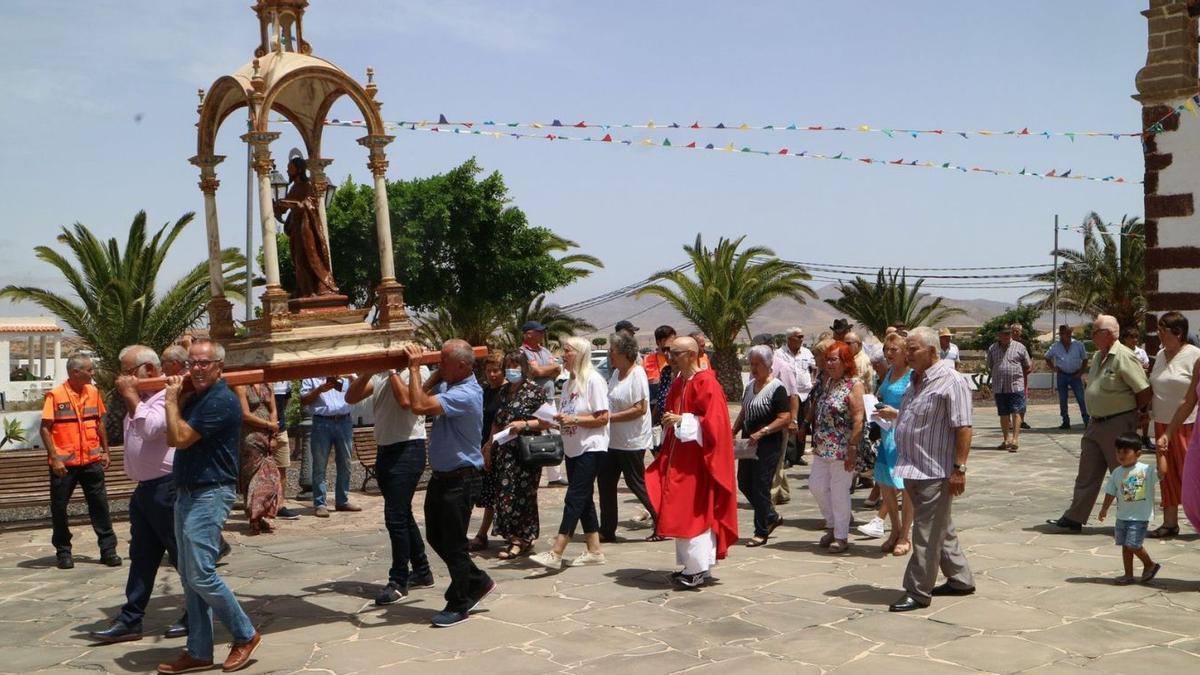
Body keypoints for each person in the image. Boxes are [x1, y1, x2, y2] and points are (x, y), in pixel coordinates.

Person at [158, 339, 260, 673]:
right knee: (189, 577)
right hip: (187, 491)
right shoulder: (198, 397)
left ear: (219, 366)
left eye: (204, 363)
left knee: (201, 573)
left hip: (210, 492)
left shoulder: (221, 401)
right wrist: (178, 395)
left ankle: (244, 634)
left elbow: (179, 438)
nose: (197, 369)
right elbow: (172, 432)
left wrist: (171, 398)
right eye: (192, 363)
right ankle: (200, 651)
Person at [89, 346, 186, 644]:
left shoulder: (165, 396)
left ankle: (197, 612)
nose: (123, 379)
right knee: (142, 556)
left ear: (150, 371)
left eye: (129, 372)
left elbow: (151, 429)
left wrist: (132, 396)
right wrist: (132, 396)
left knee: (183, 556)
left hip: (166, 487)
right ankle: (131, 619)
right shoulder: (141, 399)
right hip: (145, 490)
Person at [401, 341, 495, 627]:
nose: (439, 366)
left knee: (453, 544)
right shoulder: (450, 386)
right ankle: (477, 580)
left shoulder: (466, 393)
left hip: (462, 478)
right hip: (443, 477)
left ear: (463, 366)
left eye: (444, 362)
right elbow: (411, 400)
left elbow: (417, 405)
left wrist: (415, 368)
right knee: (435, 537)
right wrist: (435, 375)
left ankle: (461, 601)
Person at [888, 327, 975, 612]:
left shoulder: (951, 381)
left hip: (935, 471)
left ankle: (917, 590)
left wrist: (959, 468)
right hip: (913, 468)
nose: (907, 354)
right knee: (941, 527)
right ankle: (961, 579)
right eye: (907, 349)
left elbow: (963, 427)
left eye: (913, 349)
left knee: (925, 533)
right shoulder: (916, 380)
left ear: (932, 351)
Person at [645, 336, 738, 588]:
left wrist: (682, 420)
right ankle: (695, 566)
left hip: (699, 462)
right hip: (679, 459)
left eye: (674, 353)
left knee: (694, 513)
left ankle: (696, 569)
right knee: (681, 510)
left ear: (689, 354)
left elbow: (716, 424)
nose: (669, 357)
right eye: (668, 352)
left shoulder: (706, 382)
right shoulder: (680, 382)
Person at [1047, 315, 1152, 533]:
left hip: (1118, 422)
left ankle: (1136, 517)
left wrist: (1140, 414)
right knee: (1087, 471)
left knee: (1127, 472)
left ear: (1109, 333)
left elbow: (1143, 390)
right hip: (1096, 423)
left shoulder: (1123, 356)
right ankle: (1075, 516)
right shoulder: (1097, 357)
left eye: (1095, 331)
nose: (1091, 336)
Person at [345, 357, 436, 605]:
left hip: (409, 449)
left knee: (395, 517)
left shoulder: (418, 370)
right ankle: (422, 570)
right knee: (402, 514)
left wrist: (394, 370)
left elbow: (407, 401)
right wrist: (366, 372)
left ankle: (398, 581)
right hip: (385, 449)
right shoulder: (380, 375)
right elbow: (351, 398)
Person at [530, 337, 610, 570]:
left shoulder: (594, 381)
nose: (562, 355)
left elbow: (603, 417)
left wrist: (574, 419)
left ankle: (557, 550)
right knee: (583, 499)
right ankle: (594, 549)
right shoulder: (567, 384)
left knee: (574, 497)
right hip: (573, 447)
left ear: (580, 354)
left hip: (591, 447)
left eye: (567, 351)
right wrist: (558, 420)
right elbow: (569, 414)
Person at [41, 353, 119, 570]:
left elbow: (100, 423)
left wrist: (106, 451)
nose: (93, 373)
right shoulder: (55, 395)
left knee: (100, 506)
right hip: (64, 466)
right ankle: (63, 552)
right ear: (76, 372)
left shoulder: (93, 392)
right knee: (59, 508)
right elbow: (45, 429)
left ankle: (108, 550)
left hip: (92, 462)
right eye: (90, 370)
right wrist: (55, 459)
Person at [482, 351, 548, 560]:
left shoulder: (534, 392)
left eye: (515, 366)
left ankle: (521, 539)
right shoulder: (504, 392)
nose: (511, 371)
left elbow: (548, 421)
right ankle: (512, 536)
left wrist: (524, 424)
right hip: (504, 452)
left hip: (525, 453)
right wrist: (489, 445)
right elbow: (496, 420)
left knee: (524, 495)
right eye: (508, 366)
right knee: (505, 495)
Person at [598, 333, 659, 543]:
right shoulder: (616, 374)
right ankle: (606, 529)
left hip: (631, 440)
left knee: (636, 482)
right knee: (605, 482)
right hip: (612, 440)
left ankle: (661, 521)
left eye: (612, 351)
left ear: (624, 353)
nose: (609, 355)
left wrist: (610, 418)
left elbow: (640, 409)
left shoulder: (637, 374)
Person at [859, 333, 915, 557]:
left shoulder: (912, 376)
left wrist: (896, 413)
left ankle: (905, 535)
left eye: (894, 350)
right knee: (885, 483)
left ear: (905, 352)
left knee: (905, 486)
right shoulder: (890, 372)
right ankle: (894, 529)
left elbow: (918, 409)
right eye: (886, 350)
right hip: (886, 433)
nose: (888, 354)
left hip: (903, 435)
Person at [806, 341, 865, 553]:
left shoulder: (854, 385)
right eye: (827, 359)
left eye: (834, 359)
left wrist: (852, 447)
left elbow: (859, 418)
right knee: (817, 486)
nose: (829, 363)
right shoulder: (828, 382)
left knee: (839, 492)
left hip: (842, 448)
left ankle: (841, 535)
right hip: (823, 447)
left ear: (846, 361)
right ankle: (831, 524)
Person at [1148, 312, 1200, 538]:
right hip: (1162, 422)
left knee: (1190, 475)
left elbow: (1190, 397)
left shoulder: (1194, 355)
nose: (1158, 333)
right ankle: (1170, 522)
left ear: (1178, 333)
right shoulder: (1160, 355)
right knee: (1166, 474)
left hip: (1188, 425)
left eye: (1163, 329)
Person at [732, 345, 790, 547]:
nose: (754, 368)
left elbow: (785, 417)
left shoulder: (777, 388)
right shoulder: (749, 386)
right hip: (748, 443)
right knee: (744, 482)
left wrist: (764, 431)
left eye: (757, 364)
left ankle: (761, 530)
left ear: (768, 365)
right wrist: (733, 430)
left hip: (768, 444)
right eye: (751, 364)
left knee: (760, 486)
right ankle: (771, 516)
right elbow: (744, 412)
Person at [1097, 433, 1163, 584]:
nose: (1121, 455)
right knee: (1125, 547)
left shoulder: (1146, 470)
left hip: (1139, 517)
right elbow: (1111, 492)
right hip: (1122, 517)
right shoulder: (1117, 472)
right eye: (1118, 451)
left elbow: (1163, 472)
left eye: (1125, 452)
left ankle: (1150, 564)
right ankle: (1128, 575)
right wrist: (1104, 509)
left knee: (1133, 545)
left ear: (1138, 454)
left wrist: (1161, 454)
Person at [273, 156, 338, 297]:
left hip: (307, 228)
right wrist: (277, 206)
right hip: (297, 229)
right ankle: (306, 289)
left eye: (290, 168)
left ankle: (324, 286)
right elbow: (285, 207)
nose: (288, 171)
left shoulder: (307, 186)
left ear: (299, 169)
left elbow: (310, 203)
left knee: (311, 255)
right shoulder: (294, 188)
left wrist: (298, 205)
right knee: (298, 259)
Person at [300, 374, 361, 517]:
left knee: (345, 463)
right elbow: (303, 400)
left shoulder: (347, 373)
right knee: (320, 465)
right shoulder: (312, 376)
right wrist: (319, 390)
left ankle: (342, 501)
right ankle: (320, 503)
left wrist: (351, 377)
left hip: (344, 420)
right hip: (322, 422)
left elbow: (360, 389)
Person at [749, 333, 800, 505]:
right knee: (774, 461)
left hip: (777, 423)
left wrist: (793, 420)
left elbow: (793, 396)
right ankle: (783, 492)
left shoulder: (783, 367)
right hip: (758, 422)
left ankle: (767, 500)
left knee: (775, 461)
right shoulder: (755, 367)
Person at [466, 352, 506, 551]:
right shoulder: (484, 392)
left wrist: (490, 445)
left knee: (503, 494)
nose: (492, 375)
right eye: (489, 371)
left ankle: (493, 533)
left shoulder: (507, 392)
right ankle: (482, 534)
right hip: (482, 447)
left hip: (502, 448)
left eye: (496, 370)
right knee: (488, 494)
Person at [519, 320, 566, 486]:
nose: (542, 334)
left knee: (554, 434)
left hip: (549, 399)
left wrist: (547, 369)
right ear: (528, 334)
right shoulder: (523, 352)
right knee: (536, 436)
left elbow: (558, 369)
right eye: (538, 332)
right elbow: (535, 371)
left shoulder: (544, 350)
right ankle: (535, 471)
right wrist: (548, 369)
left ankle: (554, 476)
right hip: (533, 401)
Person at [234, 382, 281, 534]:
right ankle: (254, 517)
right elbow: (245, 414)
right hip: (250, 437)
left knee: (270, 476)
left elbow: (273, 410)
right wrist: (268, 424)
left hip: (267, 435)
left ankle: (262, 514)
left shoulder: (268, 385)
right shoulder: (241, 386)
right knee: (253, 477)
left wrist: (273, 434)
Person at [986, 326, 1031, 452]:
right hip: (999, 386)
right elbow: (990, 365)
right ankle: (1006, 439)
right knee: (1003, 414)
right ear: (999, 335)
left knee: (1016, 412)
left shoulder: (1020, 347)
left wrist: (1017, 375)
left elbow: (1027, 365)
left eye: (1008, 334)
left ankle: (1015, 440)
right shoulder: (992, 348)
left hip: (1016, 385)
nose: (1006, 336)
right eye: (1003, 334)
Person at [777, 327, 816, 467]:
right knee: (790, 423)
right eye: (798, 337)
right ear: (789, 338)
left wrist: (813, 379)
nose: (801, 339)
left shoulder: (806, 352)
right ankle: (788, 455)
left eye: (802, 337)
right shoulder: (780, 354)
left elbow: (815, 366)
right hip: (788, 394)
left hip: (805, 393)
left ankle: (798, 454)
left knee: (802, 423)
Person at [1045, 324, 1090, 430]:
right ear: (1061, 335)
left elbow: (1085, 359)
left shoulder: (1078, 345)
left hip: (1075, 375)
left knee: (1081, 398)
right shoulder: (1055, 346)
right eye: (1066, 333)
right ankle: (1065, 421)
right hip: (1062, 375)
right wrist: (1053, 368)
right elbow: (1047, 357)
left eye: (1070, 333)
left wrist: (1081, 372)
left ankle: (1087, 420)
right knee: (1063, 399)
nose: (1069, 335)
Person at [1122, 326, 1153, 447]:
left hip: (1141, 387)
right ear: (1125, 339)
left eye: (1136, 337)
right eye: (1131, 337)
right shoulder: (1122, 353)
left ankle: (1145, 437)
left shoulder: (1141, 352)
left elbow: (1146, 366)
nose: (1134, 340)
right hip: (1128, 388)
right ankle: (1132, 439)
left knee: (1144, 413)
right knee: (1131, 414)